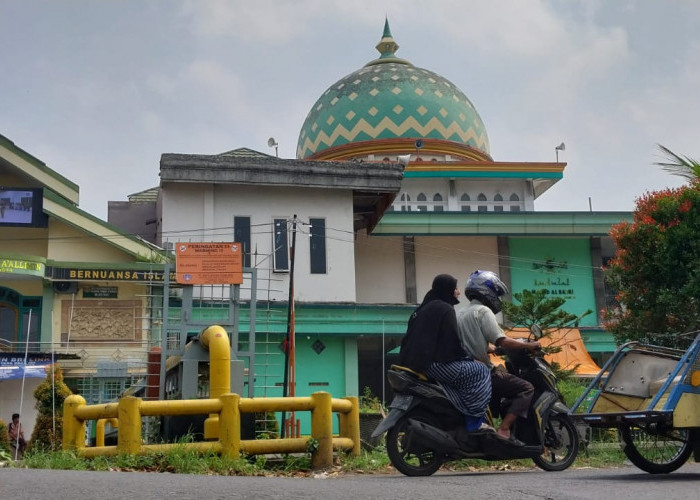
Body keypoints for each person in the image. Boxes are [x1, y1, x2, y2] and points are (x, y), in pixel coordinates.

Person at [398, 273, 492, 430]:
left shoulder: (422, 309)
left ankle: (458, 413)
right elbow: (451, 342)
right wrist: (468, 358)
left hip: (413, 363)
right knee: (480, 371)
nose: (458, 292)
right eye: (455, 288)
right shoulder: (445, 308)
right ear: (447, 289)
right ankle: (474, 422)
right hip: (431, 365)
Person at [457, 270, 541, 440]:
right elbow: (502, 340)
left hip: (464, 369)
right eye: (497, 293)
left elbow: (467, 342)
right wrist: (528, 345)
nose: (498, 298)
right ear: (487, 290)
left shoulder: (459, 313)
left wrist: (490, 349)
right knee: (526, 388)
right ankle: (504, 429)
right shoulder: (483, 311)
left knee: (504, 380)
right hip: (482, 372)